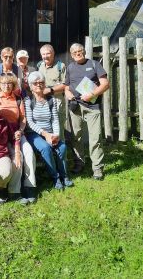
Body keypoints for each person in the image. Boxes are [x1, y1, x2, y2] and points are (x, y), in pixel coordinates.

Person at [64, 43, 109, 180]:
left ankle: (97, 169)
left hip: (92, 107)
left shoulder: (95, 64)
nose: (78, 53)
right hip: (75, 106)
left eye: (80, 51)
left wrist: (91, 94)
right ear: (71, 55)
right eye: (75, 52)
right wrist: (68, 95)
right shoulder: (70, 67)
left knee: (95, 138)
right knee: (76, 137)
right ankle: (79, 163)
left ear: (84, 51)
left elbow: (105, 84)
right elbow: (66, 87)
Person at [24, 71, 73, 190]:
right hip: (34, 134)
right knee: (45, 148)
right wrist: (45, 134)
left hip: (50, 133)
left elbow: (55, 120)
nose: (38, 85)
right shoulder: (28, 101)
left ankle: (64, 176)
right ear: (30, 86)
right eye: (35, 83)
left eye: (41, 82)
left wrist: (55, 135)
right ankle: (55, 177)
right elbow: (30, 123)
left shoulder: (51, 100)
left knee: (62, 147)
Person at [0, 74, 37, 203]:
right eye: (3, 83)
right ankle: (15, 191)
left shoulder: (18, 99)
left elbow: (23, 118)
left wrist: (20, 130)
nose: (6, 86)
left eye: (9, 83)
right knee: (17, 156)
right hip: (3, 136)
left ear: (13, 85)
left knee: (29, 153)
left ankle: (29, 186)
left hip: (18, 133)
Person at [38, 44, 67, 138]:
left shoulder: (60, 66)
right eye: (43, 54)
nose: (45, 56)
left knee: (58, 127)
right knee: (45, 126)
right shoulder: (40, 65)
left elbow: (65, 85)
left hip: (57, 101)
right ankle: (48, 149)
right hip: (43, 101)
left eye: (48, 53)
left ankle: (60, 150)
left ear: (53, 54)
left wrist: (50, 90)